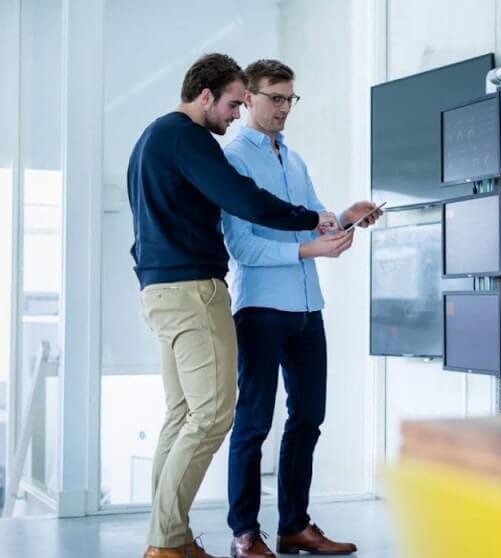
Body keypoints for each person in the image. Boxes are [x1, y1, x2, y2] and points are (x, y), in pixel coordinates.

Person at [127, 52, 340, 558]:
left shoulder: (153, 138)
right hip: (193, 291)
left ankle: (170, 536)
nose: (234, 113)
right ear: (205, 96)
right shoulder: (190, 139)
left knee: (183, 416)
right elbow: (242, 200)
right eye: (232, 103)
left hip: (162, 289)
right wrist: (309, 220)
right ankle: (167, 543)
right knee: (213, 418)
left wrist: (322, 218)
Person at [221, 59, 378, 558]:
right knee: (253, 422)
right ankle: (245, 533)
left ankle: (295, 526)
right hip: (262, 310)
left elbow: (312, 223)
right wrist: (310, 249)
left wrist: (345, 219)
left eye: (291, 99)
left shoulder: (294, 159)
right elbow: (242, 247)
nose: (285, 108)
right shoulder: (233, 159)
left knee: (308, 417)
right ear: (248, 98)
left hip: (309, 309)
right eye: (276, 98)